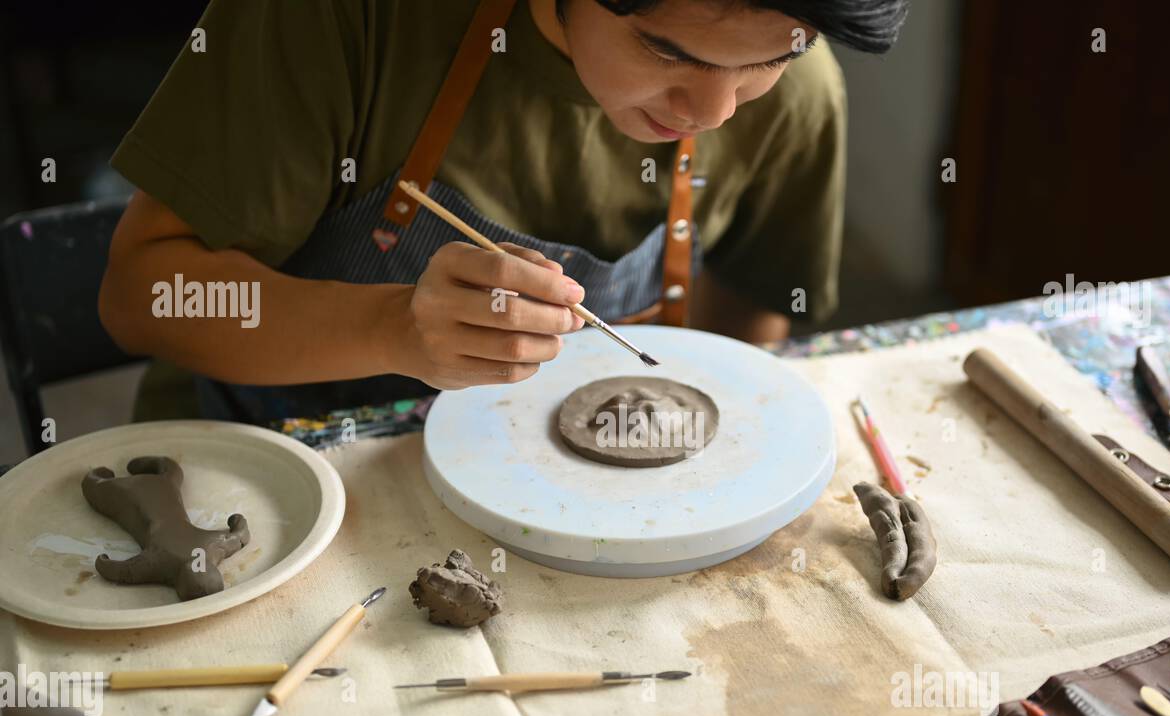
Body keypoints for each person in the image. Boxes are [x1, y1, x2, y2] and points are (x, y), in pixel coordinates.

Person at [98, 0, 907, 423]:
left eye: (768, 58)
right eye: (667, 51)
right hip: (269, 472)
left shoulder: (799, 94)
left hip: (548, 484)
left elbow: (758, 321)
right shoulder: (345, 16)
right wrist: (388, 329)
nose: (717, 108)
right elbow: (141, 295)